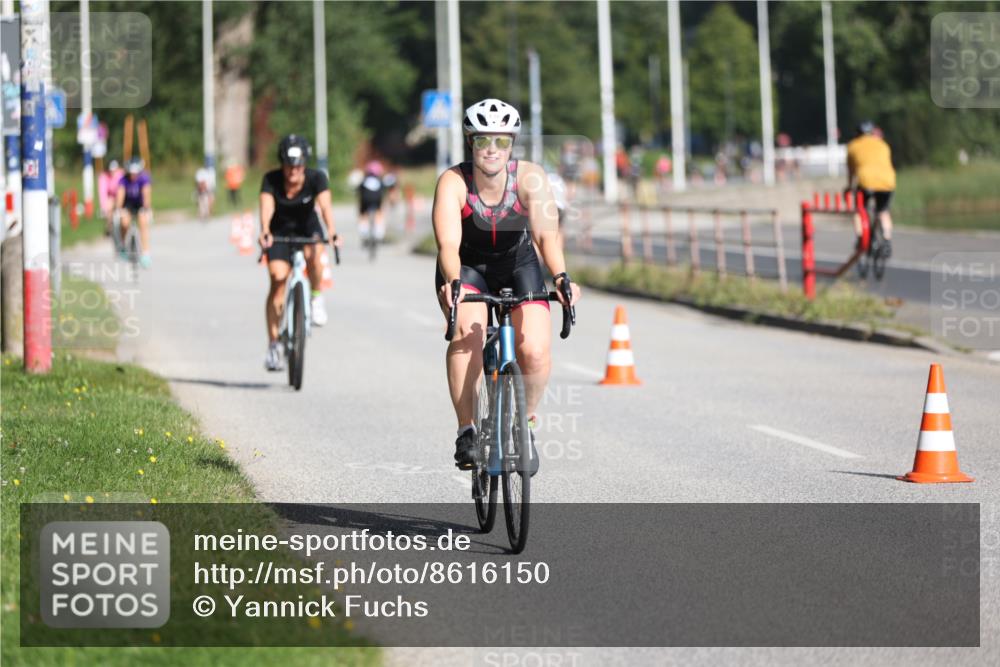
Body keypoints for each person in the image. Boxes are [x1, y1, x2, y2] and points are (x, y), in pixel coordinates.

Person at [432, 98, 581, 472]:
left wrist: (561, 277)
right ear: (471, 143)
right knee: (467, 335)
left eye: (501, 141)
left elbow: (547, 237)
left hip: (519, 264)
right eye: (484, 141)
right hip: (466, 267)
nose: (492, 150)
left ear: (512, 144)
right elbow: (448, 244)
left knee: (534, 351)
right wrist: (452, 281)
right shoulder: (453, 181)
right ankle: (467, 430)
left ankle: (526, 422)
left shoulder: (530, 177)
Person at [258, 134, 341, 371]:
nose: (293, 171)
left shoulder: (317, 178)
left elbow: (325, 206)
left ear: (305, 164)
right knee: (277, 281)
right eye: (288, 165)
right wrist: (264, 230)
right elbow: (266, 206)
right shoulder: (271, 179)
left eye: (298, 166)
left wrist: (332, 231)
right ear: (282, 163)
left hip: (308, 228)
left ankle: (315, 297)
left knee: (315, 253)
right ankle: (274, 344)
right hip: (279, 232)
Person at [846, 120, 896, 257]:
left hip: (866, 182)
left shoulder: (853, 146)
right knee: (883, 211)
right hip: (887, 182)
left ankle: (860, 237)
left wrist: (849, 187)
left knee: (859, 210)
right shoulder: (883, 144)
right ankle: (887, 239)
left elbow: (851, 171)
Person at [115, 157, 153, 268]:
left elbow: (146, 195)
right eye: (131, 173)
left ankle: (145, 253)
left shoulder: (144, 179)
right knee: (125, 222)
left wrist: (147, 207)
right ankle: (122, 246)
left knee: (143, 221)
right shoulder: (123, 180)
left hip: (140, 205)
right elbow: (120, 196)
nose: (133, 175)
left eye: (135, 173)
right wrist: (118, 208)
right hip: (128, 205)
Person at [358, 160, 387, 246]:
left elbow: (359, 192)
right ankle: (378, 233)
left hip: (365, 200)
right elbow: (383, 193)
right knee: (379, 213)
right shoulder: (380, 181)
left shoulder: (364, 180)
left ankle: (364, 232)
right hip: (377, 200)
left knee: (363, 215)